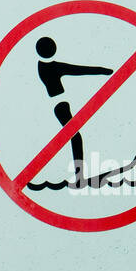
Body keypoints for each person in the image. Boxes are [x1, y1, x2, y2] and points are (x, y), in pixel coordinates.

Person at [35, 37, 113, 188]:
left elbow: (76, 70)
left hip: (60, 105)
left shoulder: (42, 66)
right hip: (60, 106)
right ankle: (79, 177)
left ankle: (79, 176)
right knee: (75, 137)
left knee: (73, 137)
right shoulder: (51, 67)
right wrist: (103, 71)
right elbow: (79, 69)